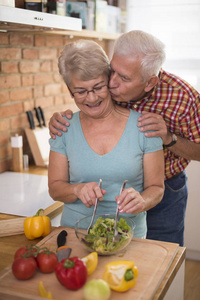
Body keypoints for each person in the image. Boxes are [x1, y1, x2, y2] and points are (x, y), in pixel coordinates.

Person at [49, 30, 200, 246]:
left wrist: (168, 137)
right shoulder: (97, 96)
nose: (112, 84)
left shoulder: (182, 98)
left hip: (167, 185)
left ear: (149, 83)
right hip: (88, 219)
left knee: (165, 252)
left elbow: (159, 184)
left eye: (124, 78)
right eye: (112, 72)